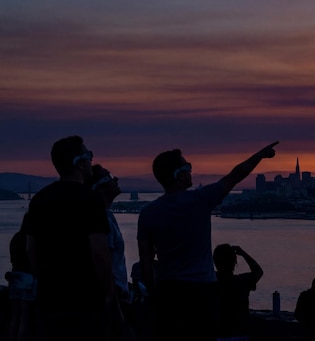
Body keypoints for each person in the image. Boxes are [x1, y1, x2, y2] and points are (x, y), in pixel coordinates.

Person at [137, 141, 279, 341]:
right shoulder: (200, 200)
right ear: (179, 175)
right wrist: (260, 155)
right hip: (202, 292)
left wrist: (154, 293)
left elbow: (146, 261)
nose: (190, 172)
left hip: (168, 292)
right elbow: (235, 176)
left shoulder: (148, 213)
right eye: (187, 168)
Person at [23, 135, 117, 341]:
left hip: (50, 298)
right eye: (88, 156)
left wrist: (45, 279)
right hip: (86, 298)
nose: (91, 160)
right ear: (79, 162)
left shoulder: (40, 199)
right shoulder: (91, 200)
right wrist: (109, 292)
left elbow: (31, 249)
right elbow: (100, 252)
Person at [88, 164, 134, 341]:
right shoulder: (101, 218)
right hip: (112, 299)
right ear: (99, 188)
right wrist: (112, 296)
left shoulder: (107, 215)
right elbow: (101, 258)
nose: (116, 179)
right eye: (110, 177)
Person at [213, 244, 264, 341]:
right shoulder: (241, 282)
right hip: (240, 334)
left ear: (215, 262)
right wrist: (243, 254)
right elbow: (258, 271)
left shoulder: (210, 282)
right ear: (234, 263)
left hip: (218, 335)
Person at [5, 213, 36, 341]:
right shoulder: (32, 238)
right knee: (26, 318)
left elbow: (12, 258)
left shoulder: (16, 237)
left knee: (15, 317)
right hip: (27, 278)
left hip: (14, 277)